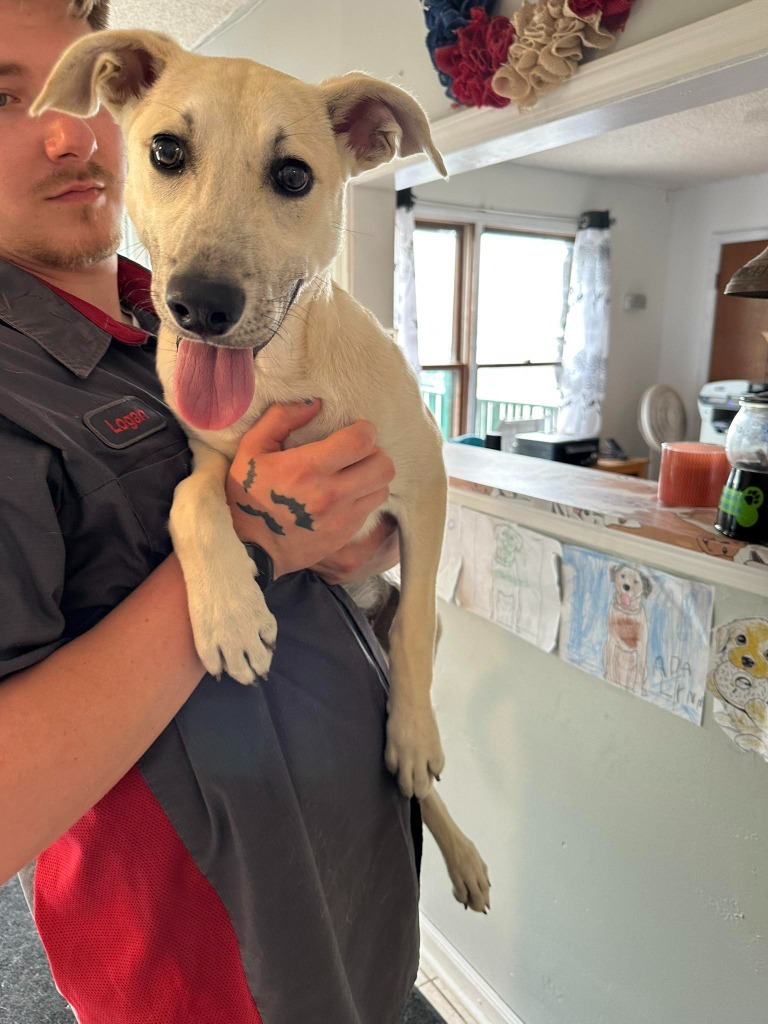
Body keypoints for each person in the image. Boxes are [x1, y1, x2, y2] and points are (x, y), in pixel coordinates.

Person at [0, 2, 422, 1022]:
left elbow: (345, 531)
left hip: (359, 898)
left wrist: (351, 539)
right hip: (206, 974)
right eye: (5, 98)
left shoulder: (182, 310)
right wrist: (251, 537)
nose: (71, 130)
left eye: (89, 91)